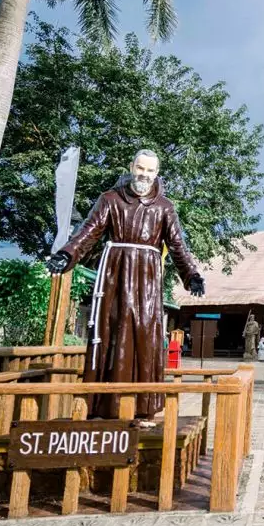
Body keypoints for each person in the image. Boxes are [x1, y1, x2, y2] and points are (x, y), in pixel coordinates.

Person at [46, 149, 204, 421]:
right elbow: (88, 232)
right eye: (140, 169)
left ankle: (143, 408)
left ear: (157, 173)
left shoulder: (164, 207)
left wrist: (192, 275)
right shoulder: (110, 200)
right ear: (132, 167)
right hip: (115, 275)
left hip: (147, 280)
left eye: (150, 171)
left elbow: (178, 244)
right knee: (111, 331)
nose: (144, 175)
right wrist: (66, 254)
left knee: (145, 335)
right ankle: (103, 407)